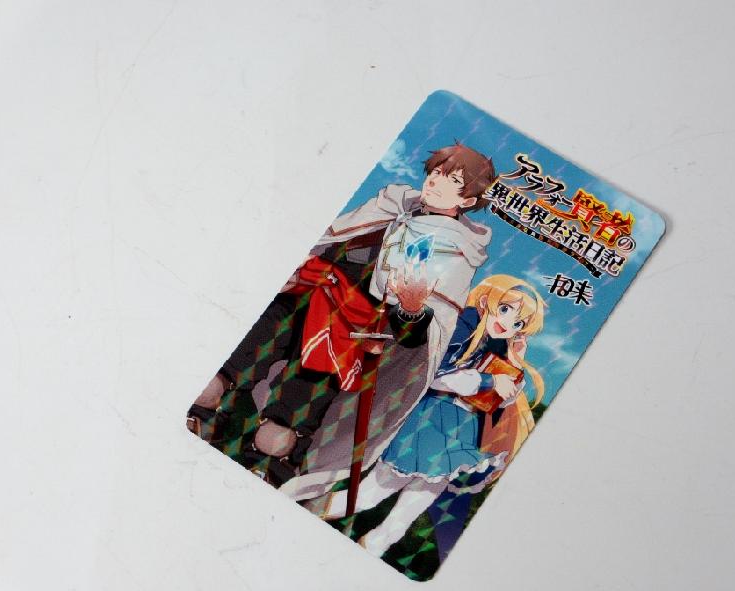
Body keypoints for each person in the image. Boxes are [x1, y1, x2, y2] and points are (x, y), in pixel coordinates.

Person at [188, 144, 496, 487]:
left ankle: (267, 468)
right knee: (216, 381)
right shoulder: (395, 201)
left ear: (467, 200)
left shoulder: (455, 250)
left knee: (278, 433)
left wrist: (410, 310)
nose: (436, 181)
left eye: (452, 180)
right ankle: (203, 423)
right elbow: (329, 239)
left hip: (346, 332)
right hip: (299, 298)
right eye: (437, 172)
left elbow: (418, 334)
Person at [322, 274, 546, 557]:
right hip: (429, 420)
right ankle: (305, 507)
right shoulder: (464, 325)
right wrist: (487, 380)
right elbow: (435, 373)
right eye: (505, 309)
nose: (508, 323)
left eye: (518, 324)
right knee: (368, 496)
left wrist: (513, 362)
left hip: (461, 429)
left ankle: (365, 555)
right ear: (487, 300)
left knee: (401, 520)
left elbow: (500, 400)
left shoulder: (498, 345)